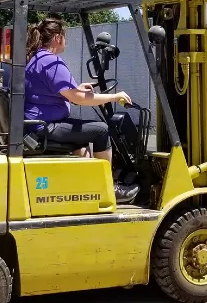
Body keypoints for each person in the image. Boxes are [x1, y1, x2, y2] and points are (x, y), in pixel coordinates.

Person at [24, 15, 139, 203]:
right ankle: (107, 188)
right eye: (65, 37)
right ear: (58, 37)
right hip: (46, 127)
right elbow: (78, 99)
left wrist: (77, 89)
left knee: (82, 137)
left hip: (39, 124)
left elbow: (57, 91)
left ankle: (85, 187)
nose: (65, 42)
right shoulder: (51, 62)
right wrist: (115, 96)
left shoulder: (37, 59)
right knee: (101, 131)